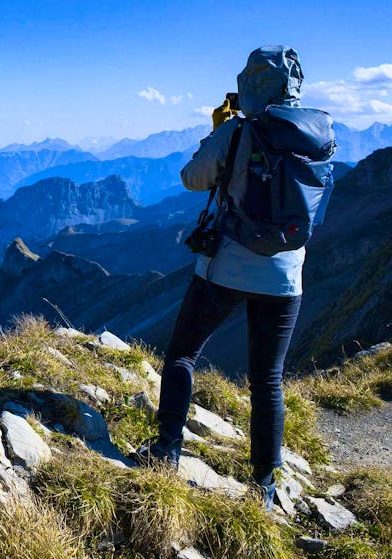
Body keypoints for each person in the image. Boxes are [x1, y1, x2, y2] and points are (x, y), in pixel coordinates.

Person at [133, 45, 334, 511]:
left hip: (226, 268)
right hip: (287, 276)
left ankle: (166, 449)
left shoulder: (238, 131)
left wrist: (220, 132)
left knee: (183, 353)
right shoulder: (320, 135)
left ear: (250, 86)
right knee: (268, 378)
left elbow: (192, 178)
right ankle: (263, 485)